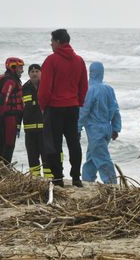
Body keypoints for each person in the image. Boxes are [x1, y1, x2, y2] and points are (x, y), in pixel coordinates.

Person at [38, 29, 88, 187]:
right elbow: (84, 86)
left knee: (54, 144)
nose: (51, 44)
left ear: (58, 42)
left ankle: (58, 177)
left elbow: (45, 88)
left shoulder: (51, 60)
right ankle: (76, 177)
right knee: (74, 142)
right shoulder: (79, 60)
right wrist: (78, 101)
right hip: (72, 107)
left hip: (54, 107)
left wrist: (42, 105)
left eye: (52, 41)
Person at [78, 62, 121, 184]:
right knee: (92, 157)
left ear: (90, 72)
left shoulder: (89, 89)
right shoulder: (109, 89)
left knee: (102, 158)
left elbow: (84, 111)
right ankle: (87, 180)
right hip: (107, 127)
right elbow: (115, 109)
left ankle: (111, 183)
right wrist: (116, 128)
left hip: (94, 129)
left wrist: (77, 128)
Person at [0, 58, 24, 167]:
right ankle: (4, 167)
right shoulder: (10, 81)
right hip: (9, 118)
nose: (22, 70)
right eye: (20, 68)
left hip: (6, 117)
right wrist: (1, 118)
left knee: (1, 143)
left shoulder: (10, 79)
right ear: (13, 67)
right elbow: (4, 99)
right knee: (8, 143)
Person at [22, 64, 51, 177]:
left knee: (47, 155)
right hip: (30, 129)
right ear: (28, 74)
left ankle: (49, 179)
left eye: (37, 71)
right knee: (32, 156)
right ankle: (35, 179)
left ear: (41, 73)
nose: (34, 73)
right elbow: (28, 105)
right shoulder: (25, 87)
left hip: (45, 129)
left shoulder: (46, 86)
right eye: (32, 71)